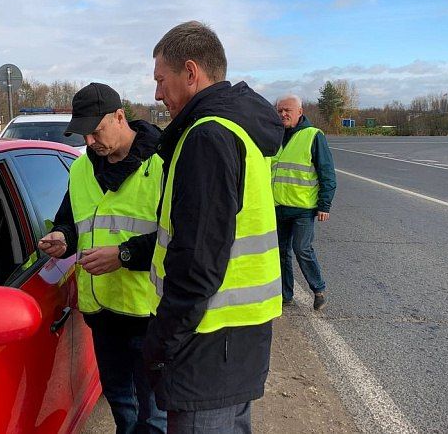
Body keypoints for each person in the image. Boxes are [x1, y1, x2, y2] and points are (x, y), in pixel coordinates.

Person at [144, 21, 284, 434]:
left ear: (191, 72)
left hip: (205, 343)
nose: (156, 94)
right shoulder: (239, 127)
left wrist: (162, 342)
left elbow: (197, 262)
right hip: (236, 341)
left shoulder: (207, 136)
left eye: (160, 80)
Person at [38, 82, 167, 434]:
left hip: (148, 312)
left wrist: (124, 255)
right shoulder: (81, 169)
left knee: (154, 411)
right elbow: (71, 219)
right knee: (120, 399)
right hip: (101, 310)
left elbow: (178, 239)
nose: (90, 143)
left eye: (95, 132)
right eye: (84, 136)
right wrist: (62, 237)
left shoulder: (160, 164)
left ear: (120, 117)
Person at [272, 94, 336, 310]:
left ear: (300, 112)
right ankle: (285, 295)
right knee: (280, 252)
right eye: (280, 110)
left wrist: (324, 205)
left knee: (302, 249)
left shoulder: (313, 135)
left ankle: (318, 290)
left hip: (302, 208)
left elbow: (326, 172)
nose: (283, 114)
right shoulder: (275, 136)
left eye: (287, 110)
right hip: (278, 206)